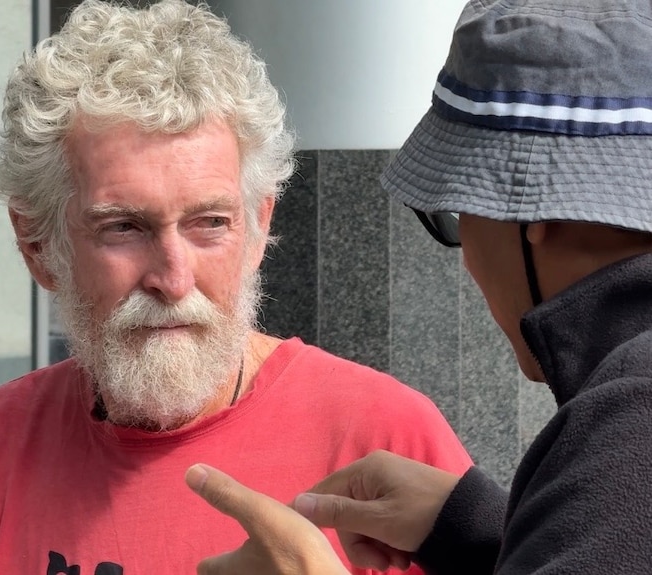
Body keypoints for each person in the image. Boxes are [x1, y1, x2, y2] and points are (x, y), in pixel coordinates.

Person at [0, 1, 472, 574]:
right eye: (123, 227)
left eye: (210, 223)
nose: (173, 278)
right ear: (38, 245)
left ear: (259, 229)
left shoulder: (387, 442)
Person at [186, 0, 652, 573]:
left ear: (532, 215)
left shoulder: (631, 420)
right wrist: (480, 527)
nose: (467, 264)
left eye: (456, 214)